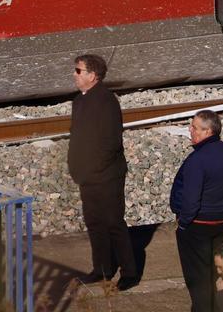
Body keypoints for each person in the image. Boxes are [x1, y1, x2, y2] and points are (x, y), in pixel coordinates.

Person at [67, 54, 139, 290]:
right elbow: (77, 138)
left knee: (113, 223)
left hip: (106, 175)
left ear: (92, 75)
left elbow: (111, 142)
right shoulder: (79, 101)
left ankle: (129, 272)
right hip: (87, 175)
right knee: (95, 223)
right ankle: (101, 269)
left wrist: (93, 169)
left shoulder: (106, 101)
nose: (74, 74)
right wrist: (76, 168)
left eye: (79, 70)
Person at [170, 110, 223, 312]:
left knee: (197, 277)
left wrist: (184, 222)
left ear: (208, 131)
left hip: (197, 224)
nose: (190, 130)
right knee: (213, 271)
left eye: (195, 127)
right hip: (220, 221)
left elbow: (191, 198)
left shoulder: (198, 159)